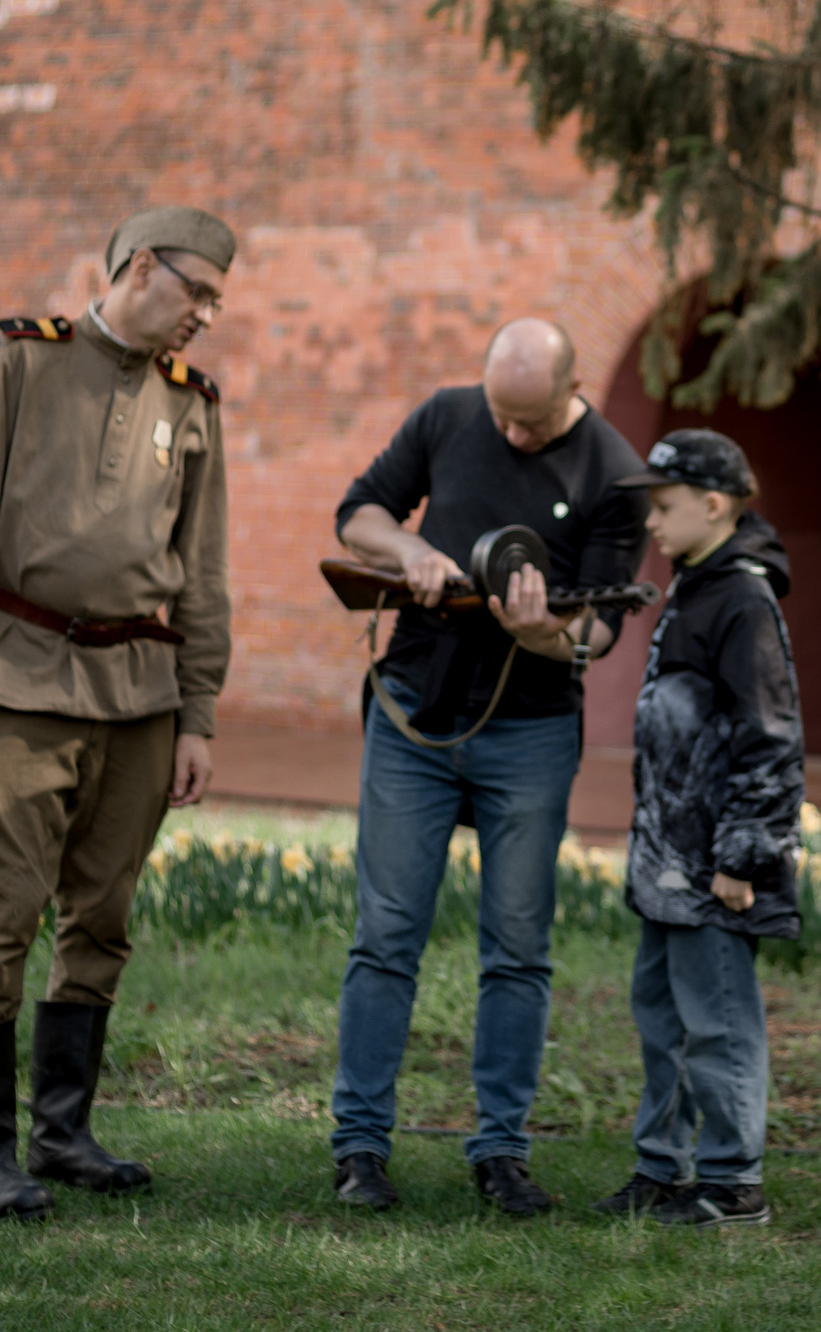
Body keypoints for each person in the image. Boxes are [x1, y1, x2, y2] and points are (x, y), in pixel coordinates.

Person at [0, 206, 235, 1219]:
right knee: (5, 909)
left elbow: (204, 570)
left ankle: (62, 1135)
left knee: (101, 918)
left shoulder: (193, 404)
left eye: (216, 300)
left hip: (139, 698)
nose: (206, 316)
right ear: (142, 266)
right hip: (11, 682)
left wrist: (198, 713)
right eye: (198, 292)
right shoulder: (23, 362)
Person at [327, 318, 647, 1215]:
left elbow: (602, 628)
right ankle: (359, 1146)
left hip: (531, 731)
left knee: (517, 948)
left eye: (530, 423)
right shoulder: (447, 414)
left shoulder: (614, 472)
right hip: (414, 714)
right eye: (500, 417)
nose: (509, 436)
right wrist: (412, 552)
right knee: (385, 934)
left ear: (572, 389)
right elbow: (359, 515)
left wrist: (543, 630)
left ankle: (501, 1150)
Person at [591, 429, 802, 1229]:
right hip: (669, 867)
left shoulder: (743, 598)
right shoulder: (695, 584)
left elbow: (771, 736)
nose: (651, 521)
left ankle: (732, 1182)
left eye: (664, 505)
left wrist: (741, 857)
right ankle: (662, 1168)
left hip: (714, 869)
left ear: (714, 505)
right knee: (664, 1020)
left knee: (717, 1019)